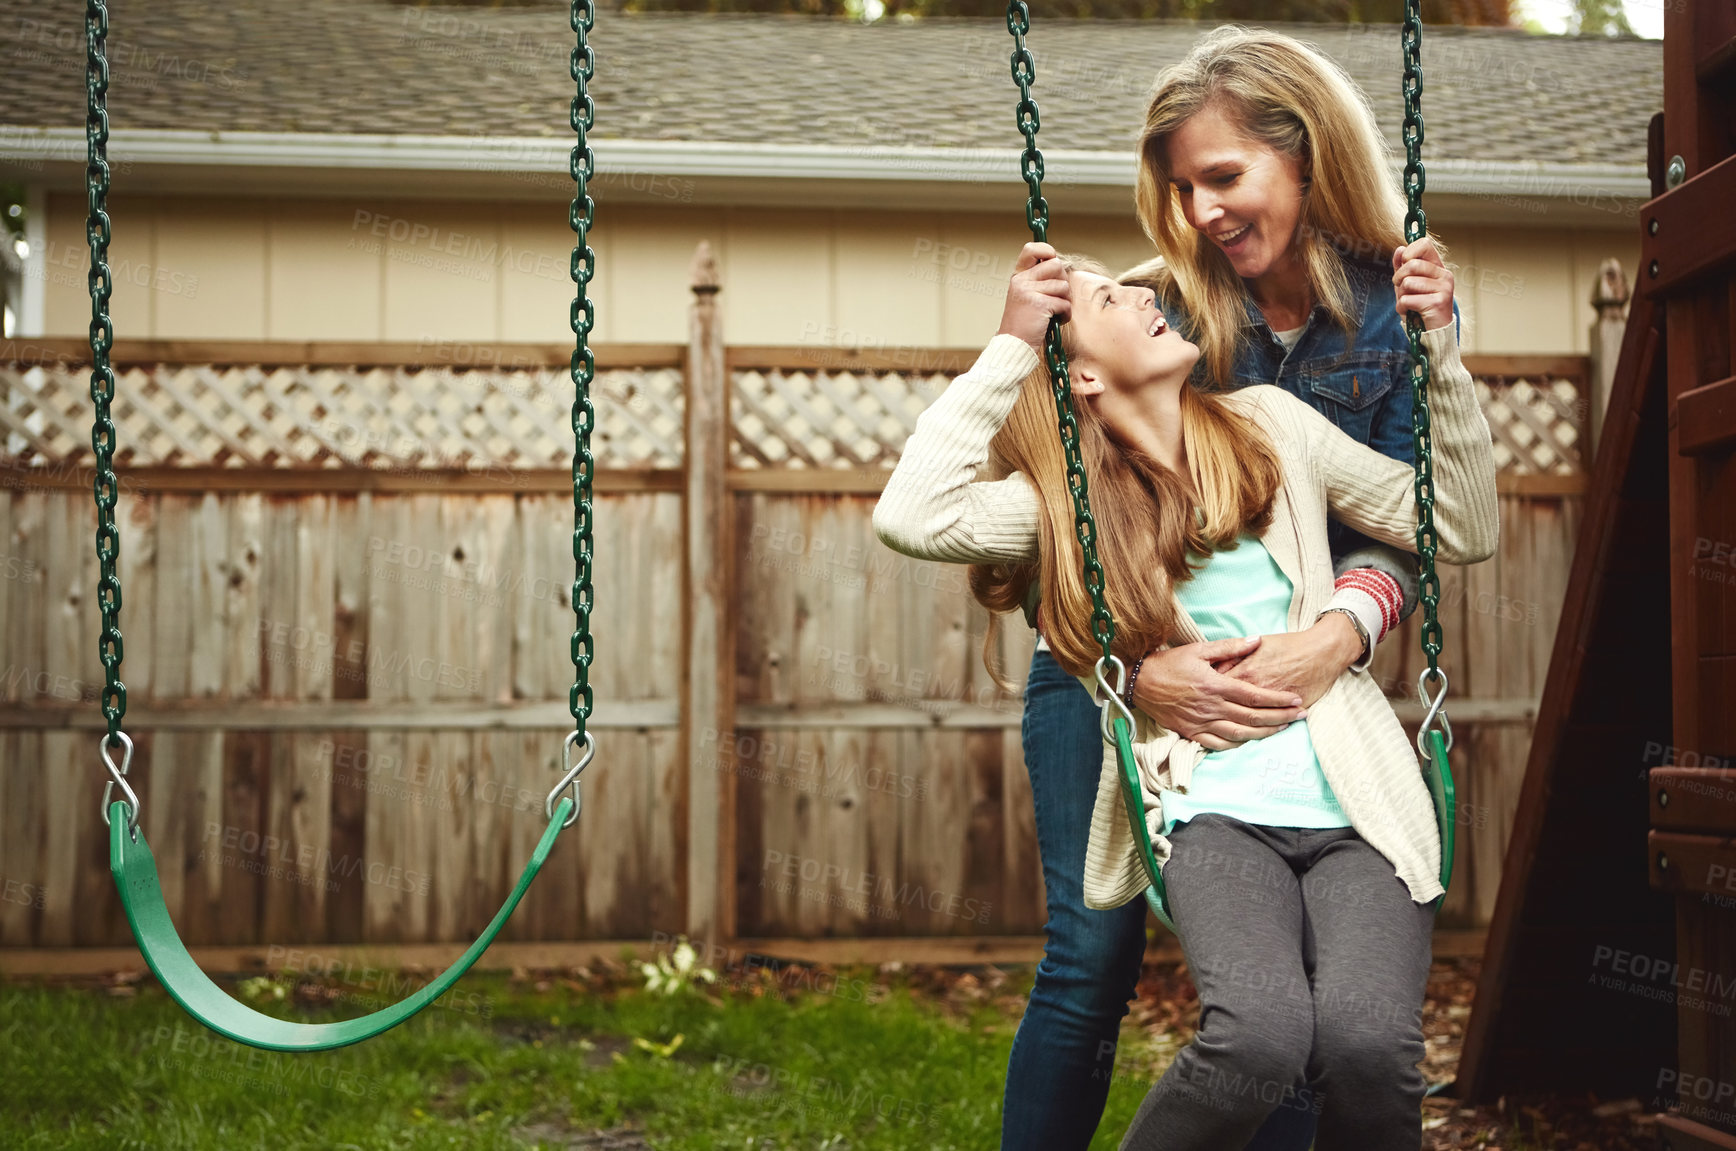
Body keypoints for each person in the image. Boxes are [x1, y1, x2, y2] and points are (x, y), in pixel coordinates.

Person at [873, 239, 1495, 1146]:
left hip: (1350, 795)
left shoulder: (1273, 426)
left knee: (1362, 1041)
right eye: (1105, 303)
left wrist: (1437, 343)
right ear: (1081, 376)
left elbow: (1457, 522)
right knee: (1227, 1021)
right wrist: (1012, 344)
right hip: (1215, 808)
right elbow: (911, 514)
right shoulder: (1072, 500)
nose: (1141, 297)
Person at [980, 26, 1456, 1150]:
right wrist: (1137, 670)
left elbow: (1403, 523)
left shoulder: (1395, 316)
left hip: (1280, 684)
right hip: (1100, 669)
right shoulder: (1157, 310)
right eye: (1180, 187)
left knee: (1289, 1004)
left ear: (1305, 157)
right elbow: (1048, 518)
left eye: (1223, 178)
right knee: (1089, 955)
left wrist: (1337, 633)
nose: (1199, 213)